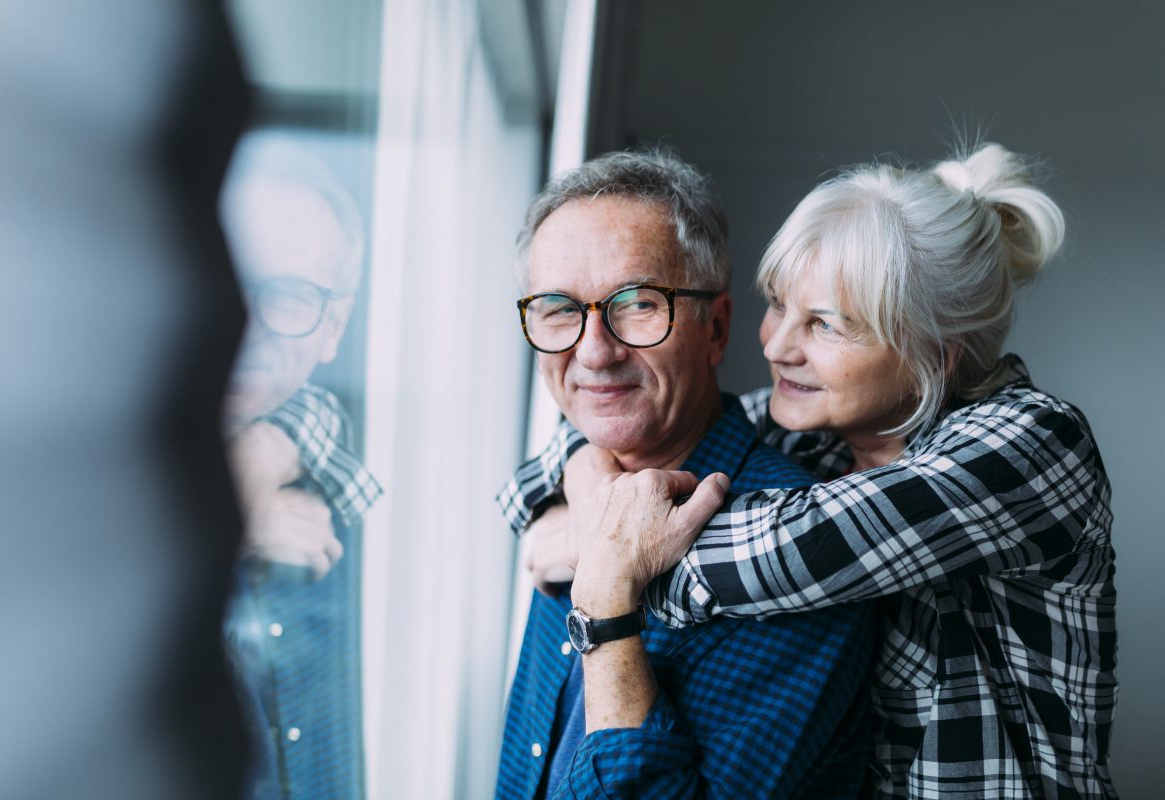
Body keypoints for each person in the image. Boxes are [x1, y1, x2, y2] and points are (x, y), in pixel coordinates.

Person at [501, 143, 1118, 799]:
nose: (775, 344)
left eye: (825, 324)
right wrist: (579, 496)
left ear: (930, 355)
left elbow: (801, 549)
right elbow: (570, 452)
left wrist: (606, 558)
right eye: (778, 304)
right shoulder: (815, 437)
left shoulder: (1032, 442)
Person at [496, 149, 876, 799]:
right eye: (559, 309)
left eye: (638, 304)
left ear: (717, 328)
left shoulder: (802, 554)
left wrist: (607, 601)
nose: (593, 352)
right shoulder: (575, 489)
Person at [220, 135, 381, 800]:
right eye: (236, 280)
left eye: (286, 297)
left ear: (333, 326)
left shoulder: (353, 485)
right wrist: (224, 509)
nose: (248, 322)